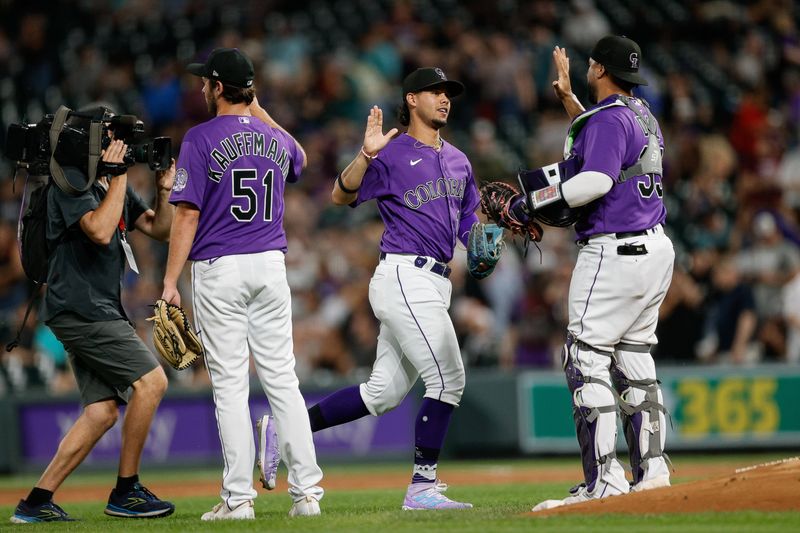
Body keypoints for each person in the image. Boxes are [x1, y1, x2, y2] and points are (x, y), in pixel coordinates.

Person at [270, 67, 479, 511]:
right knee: (448, 380)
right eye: (434, 91)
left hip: (435, 282)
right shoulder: (391, 152)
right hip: (404, 275)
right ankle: (422, 486)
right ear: (411, 100)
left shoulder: (459, 159)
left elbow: (468, 225)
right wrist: (365, 156)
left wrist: (483, 246)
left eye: (448, 93)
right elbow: (340, 196)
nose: (444, 99)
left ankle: (285, 430)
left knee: (382, 393)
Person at [491, 36, 675, 510]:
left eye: (591, 64)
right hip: (654, 249)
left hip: (614, 252)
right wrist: (572, 100)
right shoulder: (641, 114)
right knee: (634, 359)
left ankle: (604, 481)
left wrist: (529, 202)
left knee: (585, 357)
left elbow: (597, 178)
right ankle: (653, 472)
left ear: (597, 68)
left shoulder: (610, 119)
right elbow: (608, 142)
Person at [161, 48, 324, 520]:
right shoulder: (274, 139)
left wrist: (170, 280)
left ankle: (238, 500)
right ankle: (307, 495)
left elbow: (186, 214)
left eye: (205, 82)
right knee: (283, 381)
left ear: (216, 87)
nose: (200, 88)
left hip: (221, 268)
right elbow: (303, 158)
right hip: (271, 267)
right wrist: (258, 108)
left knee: (231, 386)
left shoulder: (198, 137)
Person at [11, 108, 176, 523]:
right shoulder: (72, 182)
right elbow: (100, 230)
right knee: (152, 382)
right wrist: (119, 176)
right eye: (110, 137)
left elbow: (160, 229)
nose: (117, 145)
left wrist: (163, 190)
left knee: (102, 412)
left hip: (93, 306)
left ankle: (35, 502)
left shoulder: (105, 181)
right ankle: (126, 491)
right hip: (81, 307)